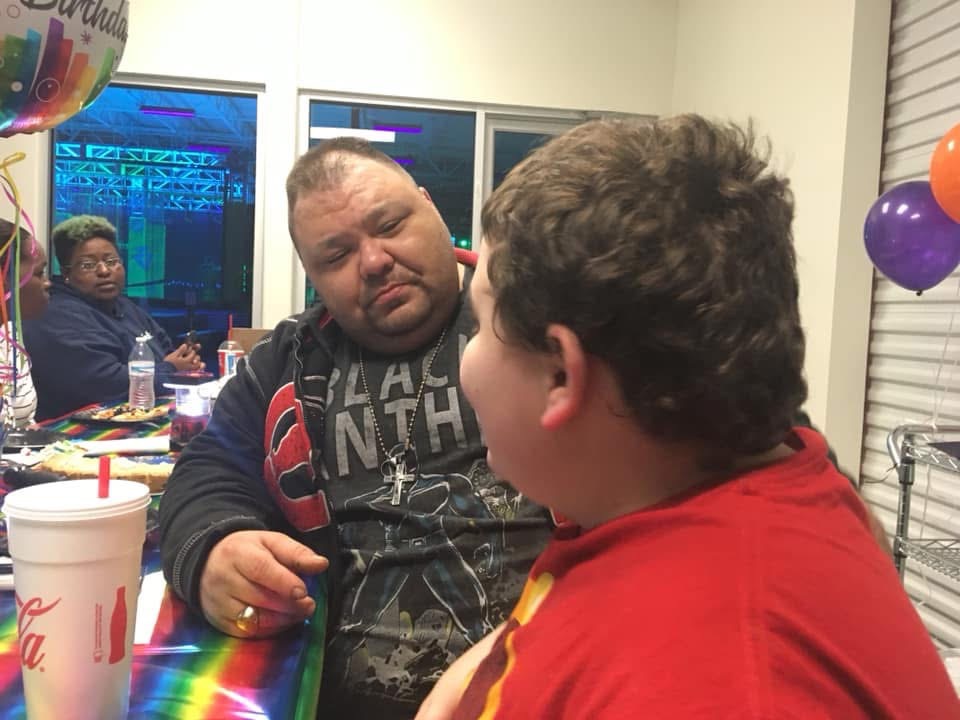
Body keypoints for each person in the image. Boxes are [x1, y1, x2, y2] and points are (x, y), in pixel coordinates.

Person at [416, 116, 960, 719]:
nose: (466, 355)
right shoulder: (706, 484)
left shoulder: (715, 683)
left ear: (561, 375)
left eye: (478, 325)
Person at [159, 138, 554, 718]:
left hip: (544, 679)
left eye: (390, 225)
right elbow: (206, 471)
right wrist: (215, 550)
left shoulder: (529, 315)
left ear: (431, 208)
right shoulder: (287, 360)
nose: (373, 261)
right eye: (336, 255)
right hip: (333, 694)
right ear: (312, 277)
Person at [22, 215, 203, 420]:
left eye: (111, 261)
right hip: (80, 430)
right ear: (66, 273)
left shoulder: (125, 306)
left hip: (142, 416)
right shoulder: (57, 314)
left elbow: (165, 348)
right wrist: (172, 369)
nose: (104, 271)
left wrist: (187, 362)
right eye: (88, 265)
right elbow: (107, 384)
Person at [0, 217, 51, 427]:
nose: (47, 283)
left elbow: (24, 423)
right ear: (4, 280)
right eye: (39, 273)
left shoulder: (9, 333)